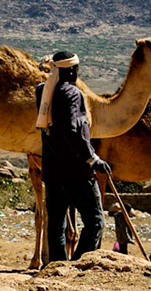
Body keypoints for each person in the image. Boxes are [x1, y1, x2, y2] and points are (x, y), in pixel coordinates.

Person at [35, 51, 110, 262]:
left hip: (52, 170)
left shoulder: (43, 91)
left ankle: (57, 265)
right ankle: (79, 264)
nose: (77, 72)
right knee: (95, 221)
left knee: (56, 223)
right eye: (76, 68)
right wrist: (93, 158)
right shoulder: (72, 94)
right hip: (76, 171)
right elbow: (73, 131)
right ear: (70, 70)